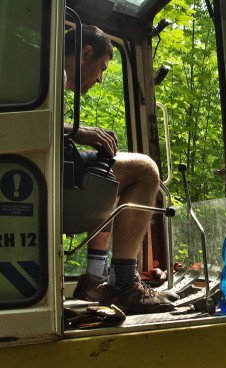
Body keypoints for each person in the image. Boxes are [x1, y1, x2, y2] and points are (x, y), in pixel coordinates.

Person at [64, 25, 174, 315]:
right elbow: (32, 120)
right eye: (101, 68)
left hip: (57, 166)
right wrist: (79, 131)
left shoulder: (42, 75)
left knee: (109, 178)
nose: (100, 79)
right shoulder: (51, 76)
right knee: (145, 170)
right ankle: (124, 283)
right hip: (55, 174)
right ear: (86, 53)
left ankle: (94, 278)